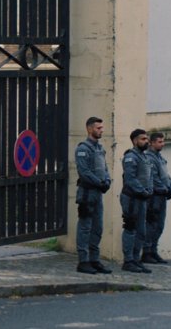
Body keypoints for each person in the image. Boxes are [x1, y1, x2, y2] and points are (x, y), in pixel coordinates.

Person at [74, 117, 112, 274]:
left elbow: (105, 168)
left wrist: (107, 181)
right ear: (90, 129)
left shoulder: (100, 149)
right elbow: (84, 172)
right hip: (87, 193)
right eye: (98, 128)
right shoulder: (83, 149)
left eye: (102, 127)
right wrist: (99, 182)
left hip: (98, 194)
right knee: (85, 227)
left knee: (97, 228)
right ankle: (83, 261)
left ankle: (94, 260)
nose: (101, 130)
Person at [120, 129, 153, 273]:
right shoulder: (130, 157)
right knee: (130, 228)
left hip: (142, 198)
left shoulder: (145, 157)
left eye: (146, 139)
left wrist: (149, 190)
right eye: (143, 139)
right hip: (132, 198)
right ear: (134, 141)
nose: (146, 141)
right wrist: (142, 191)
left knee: (141, 231)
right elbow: (130, 178)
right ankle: (128, 261)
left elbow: (149, 177)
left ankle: (136, 259)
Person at [142, 132, 171, 265]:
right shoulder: (149, 158)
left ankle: (153, 250)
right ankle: (147, 251)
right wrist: (164, 189)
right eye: (160, 142)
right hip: (154, 196)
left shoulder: (160, 158)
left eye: (163, 141)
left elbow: (166, 175)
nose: (163, 144)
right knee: (152, 224)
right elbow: (153, 178)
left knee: (159, 225)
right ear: (152, 143)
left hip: (162, 195)